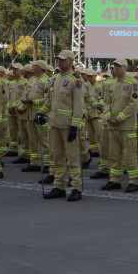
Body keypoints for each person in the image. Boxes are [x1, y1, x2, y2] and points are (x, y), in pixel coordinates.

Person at [36, 50, 85, 201]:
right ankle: (59, 186)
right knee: (56, 156)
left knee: (73, 158)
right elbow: (50, 101)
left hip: (68, 125)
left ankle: (76, 187)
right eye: (58, 59)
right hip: (55, 124)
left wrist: (75, 126)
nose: (60, 62)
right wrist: (41, 113)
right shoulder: (55, 79)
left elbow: (78, 105)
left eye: (63, 60)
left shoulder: (76, 80)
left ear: (71, 61)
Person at [100, 58, 138, 192]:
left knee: (129, 154)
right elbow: (106, 102)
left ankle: (133, 180)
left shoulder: (132, 83)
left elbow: (133, 104)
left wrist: (119, 118)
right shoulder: (111, 84)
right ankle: (115, 179)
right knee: (114, 154)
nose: (115, 68)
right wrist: (107, 117)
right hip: (112, 125)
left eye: (118, 66)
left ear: (125, 68)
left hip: (127, 126)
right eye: (114, 66)